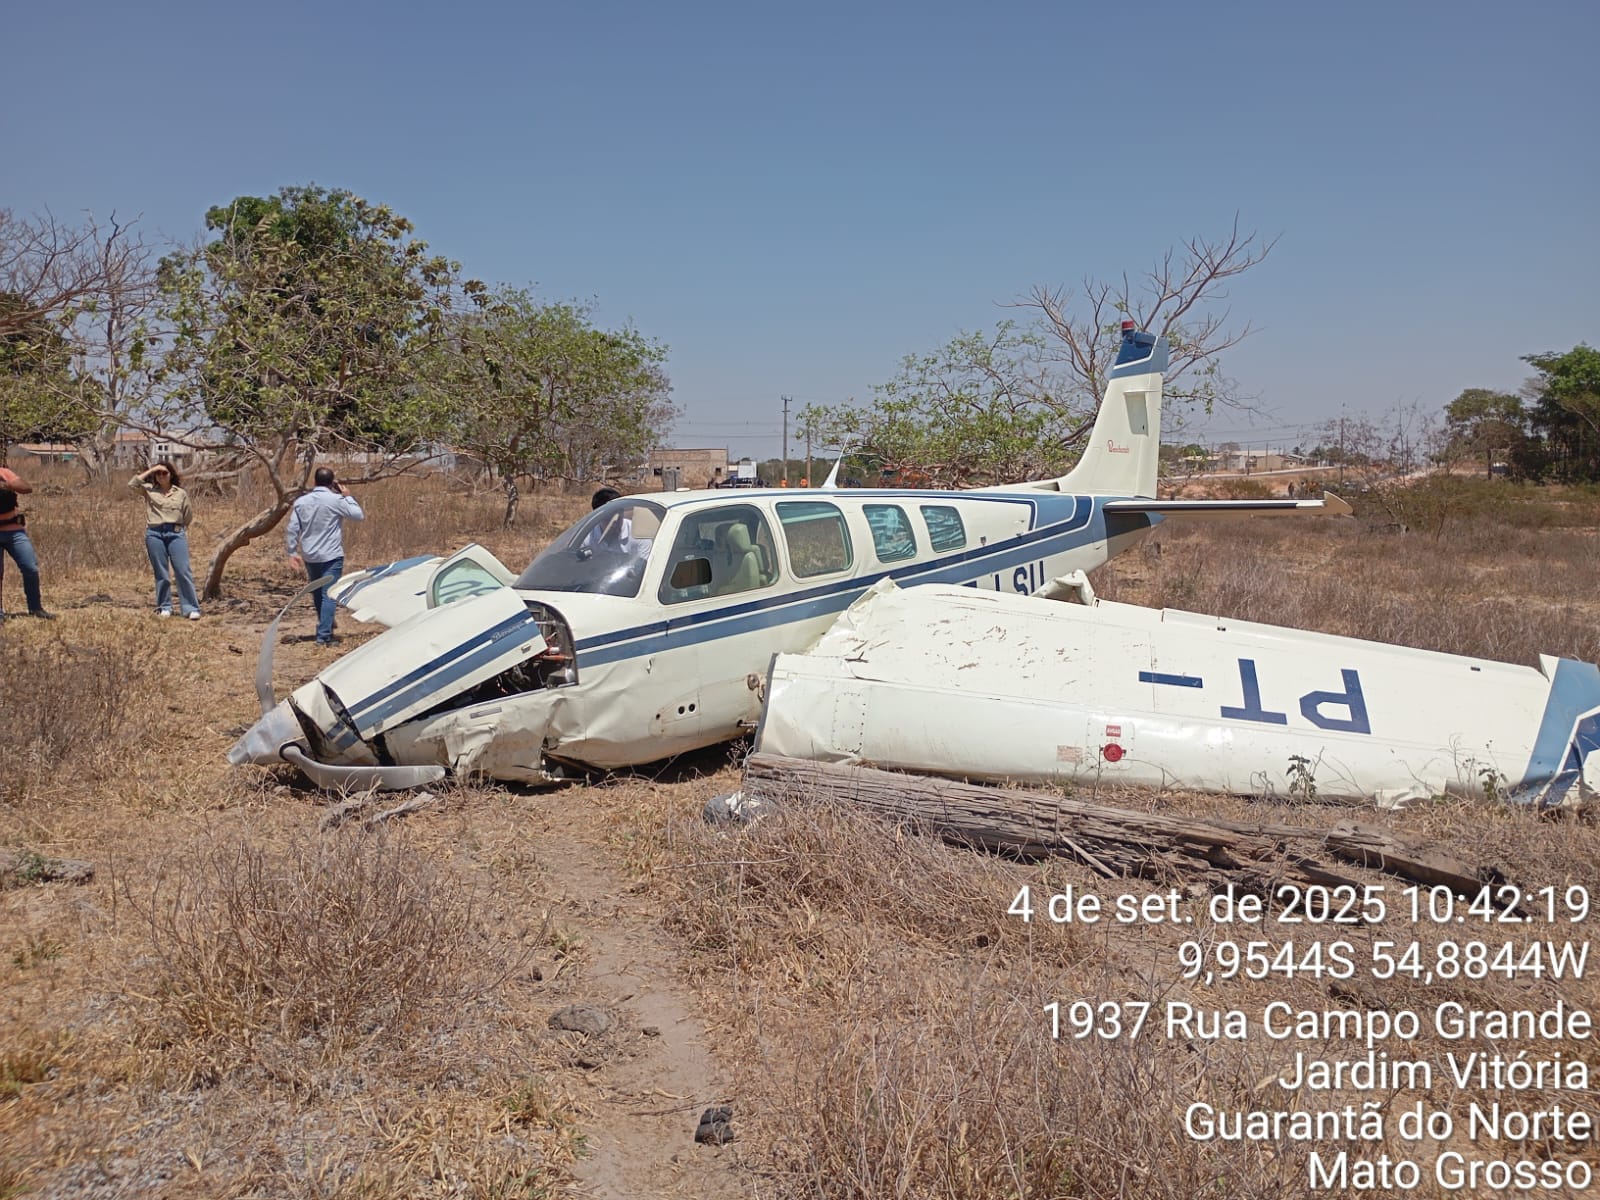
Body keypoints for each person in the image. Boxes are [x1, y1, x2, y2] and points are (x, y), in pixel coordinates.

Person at [285, 466, 364, 645]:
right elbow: (358, 515)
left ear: (314, 482)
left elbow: (292, 528)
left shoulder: (301, 502)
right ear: (332, 483)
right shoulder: (337, 500)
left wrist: (292, 552)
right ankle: (324, 637)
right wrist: (348, 496)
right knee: (329, 594)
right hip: (331, 555)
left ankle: (325, 624)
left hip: (310, 554)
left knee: (317, 593)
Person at [129, 459, 200, 619]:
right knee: (161, 573)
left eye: (164, 472)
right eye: (158, 473)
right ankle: (164, 606)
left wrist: (179, 528)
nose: (161, 476)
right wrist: (152, 469)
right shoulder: (148, 490)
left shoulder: (180, 493)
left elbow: (187, 515)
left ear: (171, 474)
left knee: (183, 571)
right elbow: (132, 484)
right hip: (154, 534)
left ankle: (190, 608)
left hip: (175, 533)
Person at [0, 464, 55, 620]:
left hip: (14, 530)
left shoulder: (4, 473)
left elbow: (26, 488)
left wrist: (9, 484)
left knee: (30, 567)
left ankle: (36, 608)